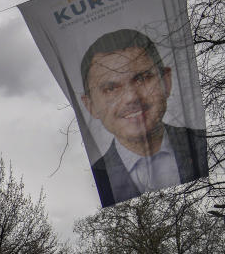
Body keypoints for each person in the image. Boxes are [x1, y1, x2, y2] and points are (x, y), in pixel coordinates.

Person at [79, 29, 208, 206]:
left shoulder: (207, 144)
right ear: (90, 105)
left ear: (166, 82)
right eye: (111, 89)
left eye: (142, 78)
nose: (131, 97)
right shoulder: (94, 183)